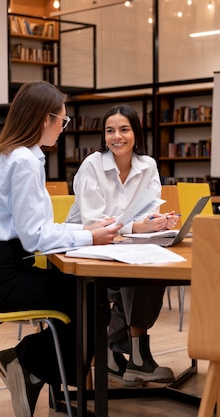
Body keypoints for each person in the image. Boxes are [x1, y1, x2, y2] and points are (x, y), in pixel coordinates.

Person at [0, 80, 122, 417]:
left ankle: (25, 364)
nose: (63, 129)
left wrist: (85, 229)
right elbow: (34, 238)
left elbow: (37, 228)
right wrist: (91, 237)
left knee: (86, 297)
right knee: (90, 302)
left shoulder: (13, 154)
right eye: (63, 121)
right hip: (2, 277)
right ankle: (27, 363)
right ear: (44, 119)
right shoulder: (24, 161)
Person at [66, 104, 179, 385]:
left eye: (124, 129)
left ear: (135, 134)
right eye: (110, 130)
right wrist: (137, 226)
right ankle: (128, 355)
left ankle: (127, 354)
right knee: (134, 276)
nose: (117, 136)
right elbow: (95, 222)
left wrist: (157, 221)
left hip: (126, 245)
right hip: (89, 248)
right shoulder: (92, 164)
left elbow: (147, 210)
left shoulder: (148, 165)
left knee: (152, 267)